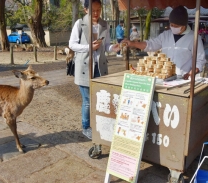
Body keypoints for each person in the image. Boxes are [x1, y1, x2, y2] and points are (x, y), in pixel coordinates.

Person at [68, 0, 120, 139]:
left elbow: (107, 46)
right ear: (86, 10)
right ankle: (86, 127)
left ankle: (98, 124)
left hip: (100, 67)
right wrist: (89, 47)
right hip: (84, 66)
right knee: (87, 100)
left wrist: (114, 48)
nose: (96, 14)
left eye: (98, 10)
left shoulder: (104, 24)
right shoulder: (80, 23)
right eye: (93, 11)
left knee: (100, 98)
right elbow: (72, 44)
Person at [122, 5, 206, 80]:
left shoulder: (194, 38)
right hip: (166, 77)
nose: (172, 27)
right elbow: (151, 45)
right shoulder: (166, 35)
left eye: (176, 26)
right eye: (171, 25)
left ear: (184, 25)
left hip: (183, 78)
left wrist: (193, 71)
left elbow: (200, 60)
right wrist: (133, 44)